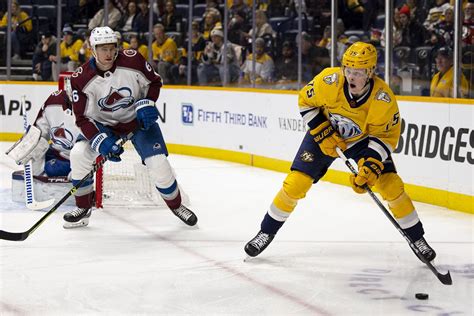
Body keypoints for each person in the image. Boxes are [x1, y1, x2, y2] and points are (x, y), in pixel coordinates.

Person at [244, 42, 438, 265]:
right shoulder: (329, 81)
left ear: (370, 72)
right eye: (348, 70)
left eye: (358, 72)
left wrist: (371, 166)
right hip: (324, 134)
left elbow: (384, 137)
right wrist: (321, 131)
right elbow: (305, 102)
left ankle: (417, 239)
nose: (351, 76)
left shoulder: (382, 98)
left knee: (391, 185)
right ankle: (266, 232)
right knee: (295, 184)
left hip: (361, 142)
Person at [66, 26, 197, 229]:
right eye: (103, 49)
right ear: (93, 49)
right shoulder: (80, 79)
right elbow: (82, 118)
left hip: (138, 121)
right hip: (104, 125)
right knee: (78, 154)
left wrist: (147, 103)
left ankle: (176, 205)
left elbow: (154, 82)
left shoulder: (133, 60)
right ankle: (83, 208)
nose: (109, 54)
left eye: (112, 48)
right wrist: (102, 142)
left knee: (159, 164)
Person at [6, 87, 80, 179]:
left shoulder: (95, 108)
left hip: (79, 161)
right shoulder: (54, 101)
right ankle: (38, 179)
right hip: (56, 155)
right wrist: (29, 144)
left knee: (52, 168)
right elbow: (39, 132)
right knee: (38, 145)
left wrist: (80, 170)